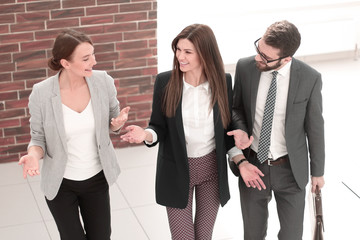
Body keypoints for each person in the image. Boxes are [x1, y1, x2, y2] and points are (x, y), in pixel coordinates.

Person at [120, 24, 243, 240]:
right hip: (176, 169)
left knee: (204, 236)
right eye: (178, 50)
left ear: (205, 54)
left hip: (211, 169)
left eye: (187, 52)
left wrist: (240, 153)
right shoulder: (165, 82)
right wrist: (145, 135)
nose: (180, 57)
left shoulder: (223, 82)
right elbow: (157, 126)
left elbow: (225, 129)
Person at [18, 29, 130, 240]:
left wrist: (117, 124)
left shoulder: (103, 81)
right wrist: (33, 155)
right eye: (86, 58)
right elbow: (38, 138)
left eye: (93, 55)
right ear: (65, 63)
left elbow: (113, 123)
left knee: (102, 237)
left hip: (97, 178)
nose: (94, 62)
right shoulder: (41, 93)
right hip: (61, 183)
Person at [227, 20, 325, 240]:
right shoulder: (245, 68)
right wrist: (241, 130)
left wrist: (318, 171)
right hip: (254, 165)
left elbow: (315, 127)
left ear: (286, 58)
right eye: (258, 49)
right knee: (253, 234)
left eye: (266, 57)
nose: (257, 58)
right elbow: (236, 108)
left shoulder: (310, 78)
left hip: (291, 170)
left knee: (292, 236)